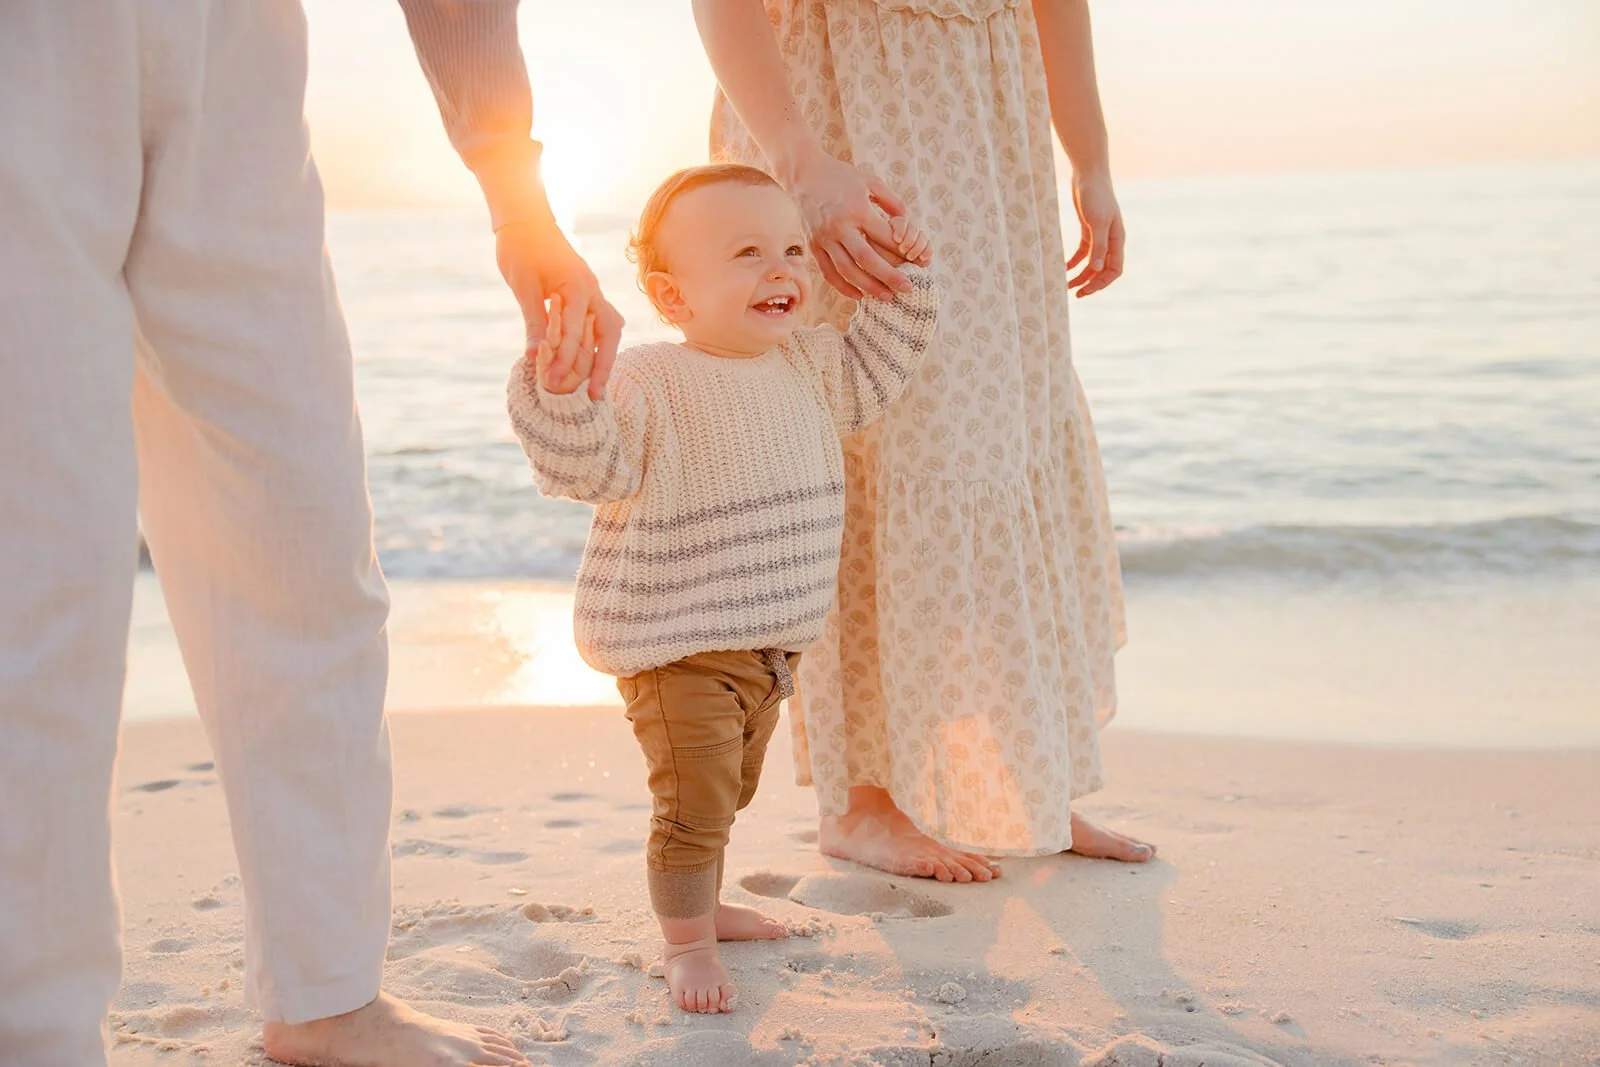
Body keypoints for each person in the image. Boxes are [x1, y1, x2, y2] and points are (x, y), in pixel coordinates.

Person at [0, 2, 610, 1064]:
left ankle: (326, 991)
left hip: (236, 46)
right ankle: (35, 1033)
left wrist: (517, 197)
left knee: (304, 545)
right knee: (39, 571)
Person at [693, 0, 1156, 881]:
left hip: (992, 124)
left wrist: (1089, 159)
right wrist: (801, 161)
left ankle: (1024, 774)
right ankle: (861, 801)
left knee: (1005, 431)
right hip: (839, 121)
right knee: (888, 436)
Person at [506, 164, 937, 1013]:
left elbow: (887, 361)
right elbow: (590, 465)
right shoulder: (650, 378)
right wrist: (562, 396)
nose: (781, 269)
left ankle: (701, 902)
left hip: (771, 647)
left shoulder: (811, 366)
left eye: (789, 249)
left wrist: (907, 273)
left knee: (729, 792)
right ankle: (687, 944)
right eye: (746, 253)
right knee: (693, 804)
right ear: (673, 297)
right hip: (677, 645)